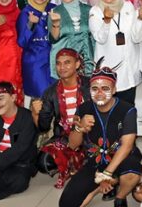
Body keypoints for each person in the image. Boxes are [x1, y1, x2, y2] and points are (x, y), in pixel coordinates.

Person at [58, 64, 142, 207]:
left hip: (123, 159)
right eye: (95, 89)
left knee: (131, 172)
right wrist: (80, 128)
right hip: (95, 162)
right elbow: (73, 144)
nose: (99, 93)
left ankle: (120, 196)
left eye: (105, 88)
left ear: (114, 90)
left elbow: (127, 146)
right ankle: (100, 187)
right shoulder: (83, 109)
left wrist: (106, 175)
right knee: (66, 203)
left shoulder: (127, 110)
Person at [34, 49, 89, 188]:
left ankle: (80, 160)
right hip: (64, 136)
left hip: (90, 134)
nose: (62, 67)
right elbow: (44, 127)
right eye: (58, 64)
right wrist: (35, 114)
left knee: (101, 157)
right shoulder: (50, 92)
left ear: (77, 64)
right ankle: (75, 161)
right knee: (43, 162)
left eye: (67, 63)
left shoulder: (90, 86)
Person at [89, 0, 141, 105]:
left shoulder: (128, 6)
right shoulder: (95, 11)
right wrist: (106, 21)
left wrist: (140, 19)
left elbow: (136, 36)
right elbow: (99, 38)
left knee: (129, 110)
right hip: (109, 71)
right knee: (109, 113)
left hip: (129, 69)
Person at [0, 82, 37, 201]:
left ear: (13, 97)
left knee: (20, 181)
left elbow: (19, 149)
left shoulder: (27, 118)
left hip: (19, 163)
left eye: (0, 98)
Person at [16, 0, 56, 98]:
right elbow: (22, 42)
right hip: (35, 63)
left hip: (54, 62)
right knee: (42, 100)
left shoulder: (53, 8)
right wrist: (31, 24)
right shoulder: (26, 12)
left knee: (57, 100)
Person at [49, 0, 95, 76]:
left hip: (87, 59)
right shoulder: (55, 11)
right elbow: (53, 39)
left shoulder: (89, 10)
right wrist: (56, 23)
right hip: (64, 62)